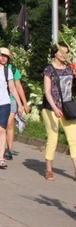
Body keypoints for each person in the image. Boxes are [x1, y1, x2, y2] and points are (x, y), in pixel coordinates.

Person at [41, 42, 76, 181]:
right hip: (51, 107)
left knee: (74, 139)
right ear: (55, 53)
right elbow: (47, 91)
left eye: (66, 52)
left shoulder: (69, 69)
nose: (64, 55)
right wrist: (55, 108)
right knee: (53, 138)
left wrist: (72, 64)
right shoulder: (49, 69)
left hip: (67, 107)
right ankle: (49, 169)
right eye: (61, 52)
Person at [0, 47, 29, 160]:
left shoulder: (13, 69)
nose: (3, 58)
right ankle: (1, 146)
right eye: (1, 55)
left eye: (5, 56)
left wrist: (24, 103)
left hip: (11, 99)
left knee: (9, 123)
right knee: (0, 125)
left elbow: (18, 87)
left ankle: (9, 149)